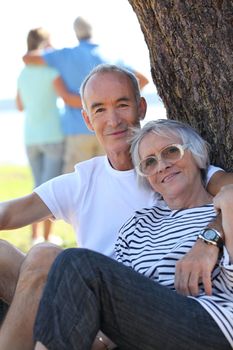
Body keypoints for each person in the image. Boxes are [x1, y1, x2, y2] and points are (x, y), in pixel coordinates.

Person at [0, 65, 232, 350]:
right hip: (105, 309)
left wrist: (209, 240)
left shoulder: (195, 179)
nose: (113, 120)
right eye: (99, 109)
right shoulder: (121, 209)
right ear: (87, 119)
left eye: (122, 104)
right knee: (45, 254)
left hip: (188, 320)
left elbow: (230, 194)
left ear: (141, 106)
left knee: (70, 260)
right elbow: (8, 213)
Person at [34, 119, 233, 350]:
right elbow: (121, 301)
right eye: (149, 162)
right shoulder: (138, 225)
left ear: (198, 155)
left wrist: (210, 239)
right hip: (147, 334)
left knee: (77, 263)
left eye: (171, 151)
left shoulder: (224, 207)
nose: (161, 166)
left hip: (211, 328)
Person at [23, 17, 148, 173]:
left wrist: (48, 49)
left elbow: (27, 58)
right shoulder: (111, 55)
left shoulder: (65, 55)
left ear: (76, 33)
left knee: (76, 186)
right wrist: (122, 101)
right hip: (113, 134)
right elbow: (143, 80)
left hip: (78, 132)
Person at [16, 27, 82, 245]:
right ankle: (46, 238)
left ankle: (35, 236)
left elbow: (19, 105)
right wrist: (95, 103)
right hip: (52, 134)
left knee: (37, 185)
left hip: (30, 136)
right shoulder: (51, 71)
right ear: (45, 44)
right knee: (49, 188)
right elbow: (68, 98)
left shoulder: (23, 73)